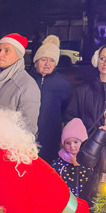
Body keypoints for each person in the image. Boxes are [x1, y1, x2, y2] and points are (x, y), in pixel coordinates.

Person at [0, 33, 41, 135]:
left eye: (7, 51)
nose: (0, 55)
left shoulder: (26, 86)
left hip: (7, 145)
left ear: (19, 56)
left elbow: (28, 128)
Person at [29, 36, 74, 164]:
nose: (48, 64)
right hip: (26, 137)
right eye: (43, 60)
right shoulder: (26, 80)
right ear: (35, 61)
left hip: (51, 139)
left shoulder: (63, 85)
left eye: (52, 61)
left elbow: (67, 113)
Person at [52, 118, 93, 198]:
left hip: (86, 200)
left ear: (83, 142)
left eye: (76, 142)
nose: (72, 146)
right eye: (68, 143)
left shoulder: (88, 161)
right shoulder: (59, 163)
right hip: (65, 202)